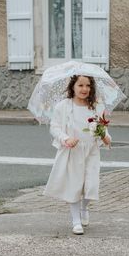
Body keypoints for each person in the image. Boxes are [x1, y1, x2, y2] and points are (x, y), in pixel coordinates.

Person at [43, 75, 111, 235]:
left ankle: (84, 207)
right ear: (73, 87)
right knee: (74, 185)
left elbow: (102, 128)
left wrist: (105, 136)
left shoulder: (96, 107)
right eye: (80, 85)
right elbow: (55, 127)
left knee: (91, 184)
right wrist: (65, 138)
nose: (84, 89)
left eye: (88, 85)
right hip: (73, 151)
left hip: (91, 150)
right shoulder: (63, 106)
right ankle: (76, 221)